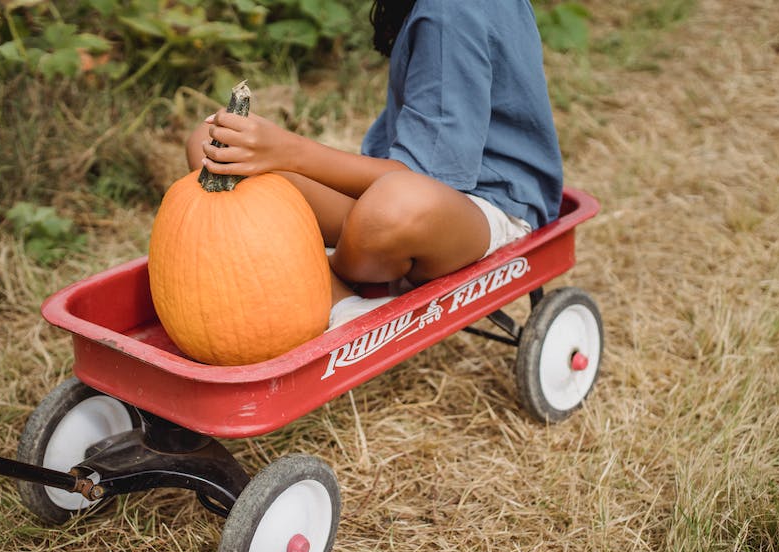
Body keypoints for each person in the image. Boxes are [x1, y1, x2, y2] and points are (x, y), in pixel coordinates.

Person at [187, 0, 563, 328]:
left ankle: (307, 275)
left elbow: (422, 180)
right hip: (405, 188)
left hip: (487, 205)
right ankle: (342, 300)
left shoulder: (452, 10)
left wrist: (288, 151)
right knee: (211, 147)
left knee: (393, 206)